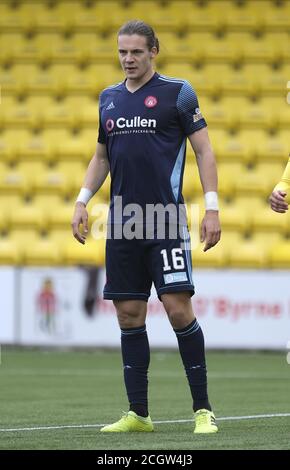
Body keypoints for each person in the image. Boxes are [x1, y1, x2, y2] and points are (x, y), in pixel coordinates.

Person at [71, 20, 221, 434]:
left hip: (166, 220)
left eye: (136, 51)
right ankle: (138, 414)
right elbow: (100, 156)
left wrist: (212, 208)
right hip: (121, 223)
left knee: (177, 309)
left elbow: (204, 151)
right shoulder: (109, 99)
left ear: (154, 50)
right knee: (129, 314)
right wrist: (82, 200)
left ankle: (203, 410)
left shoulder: (178, 92)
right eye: (122, 52)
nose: (128, 59)